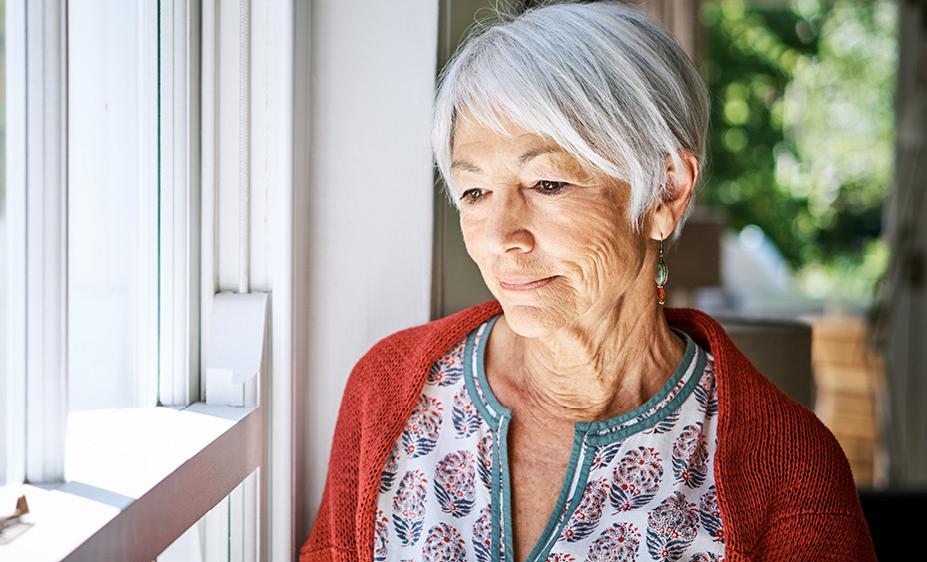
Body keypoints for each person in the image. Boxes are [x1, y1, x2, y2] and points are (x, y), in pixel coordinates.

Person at [301, 2, 876, 561]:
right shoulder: (388, 392)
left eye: (546, 183)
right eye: (474, 192)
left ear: (666, 191)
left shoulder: (792, 473)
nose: (502, 235)